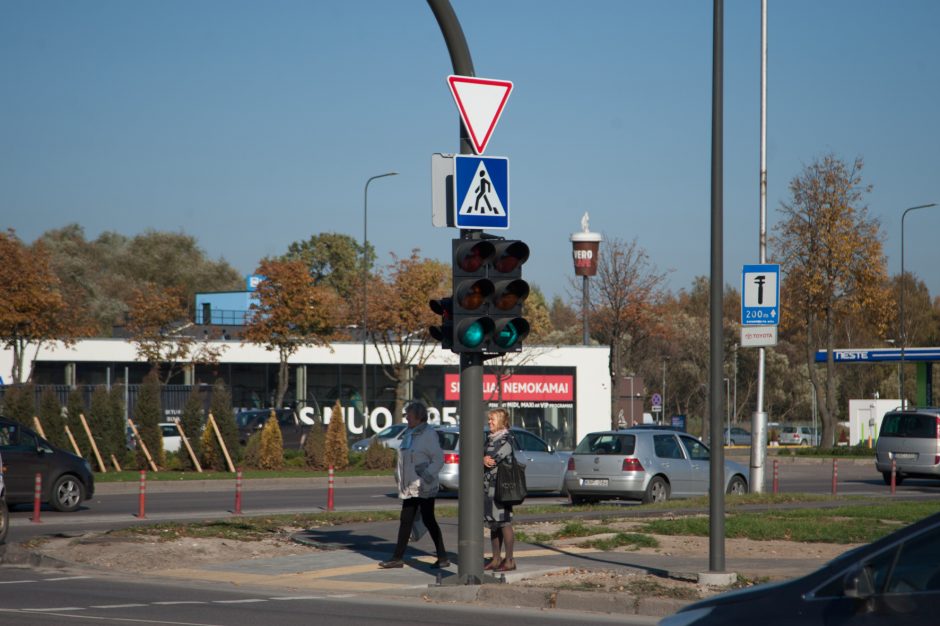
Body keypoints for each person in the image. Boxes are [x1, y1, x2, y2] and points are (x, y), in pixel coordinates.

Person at [379, 401, 449, 569]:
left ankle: (441, 557)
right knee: (408, 520)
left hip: (422, 485)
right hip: (410, 485)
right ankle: (400, 557)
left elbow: (438, 459)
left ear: (418, 417)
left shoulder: (428, 434)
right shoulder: (410, 433)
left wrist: (426, 475)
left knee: (427, 520)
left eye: (409, 415)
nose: (406, 418)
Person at [482, 407, 519, 572]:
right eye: (489, 419)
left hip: (502, 488)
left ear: (502, 422)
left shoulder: (506, 439)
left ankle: (509, 560)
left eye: (492, 419)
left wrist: (486, 459)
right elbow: (483, 456)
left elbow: (494, 460)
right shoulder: (490, 439)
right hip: (489, 487)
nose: (489, 422)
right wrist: (483, 458)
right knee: (493, 523)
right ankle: (496, 559)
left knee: (504, 521)